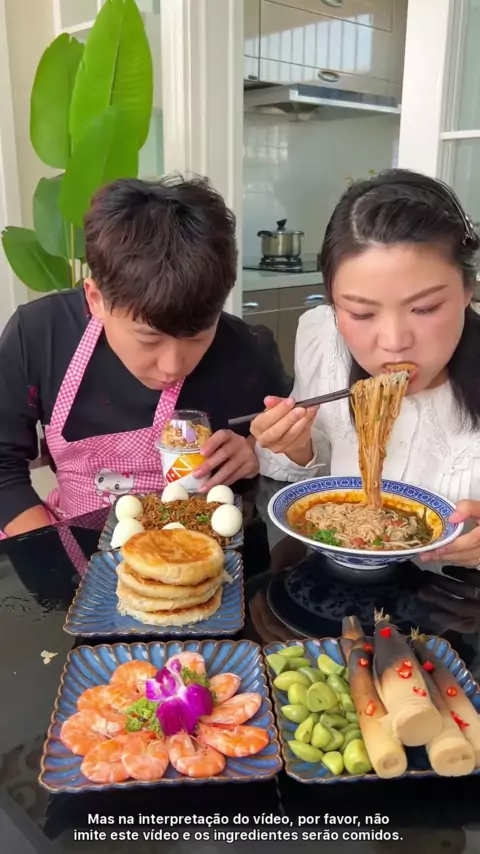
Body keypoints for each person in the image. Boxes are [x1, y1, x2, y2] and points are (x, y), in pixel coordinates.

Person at [0, 176, 290, 537]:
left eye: (197, 337)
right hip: (76, 551)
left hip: (209, 554)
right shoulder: (40, 334)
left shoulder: (248, 351)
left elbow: (289, 456)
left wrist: (256, 451)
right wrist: (52, 555)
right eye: (149, 338)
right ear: (96, 299)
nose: (172, 367)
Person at [251, 168, 480, 569]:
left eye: (425, 308)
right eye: (360, 313)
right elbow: (312, 469)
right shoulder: (324, 341)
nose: (394, 341)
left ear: (467, 290)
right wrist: (296, 447)